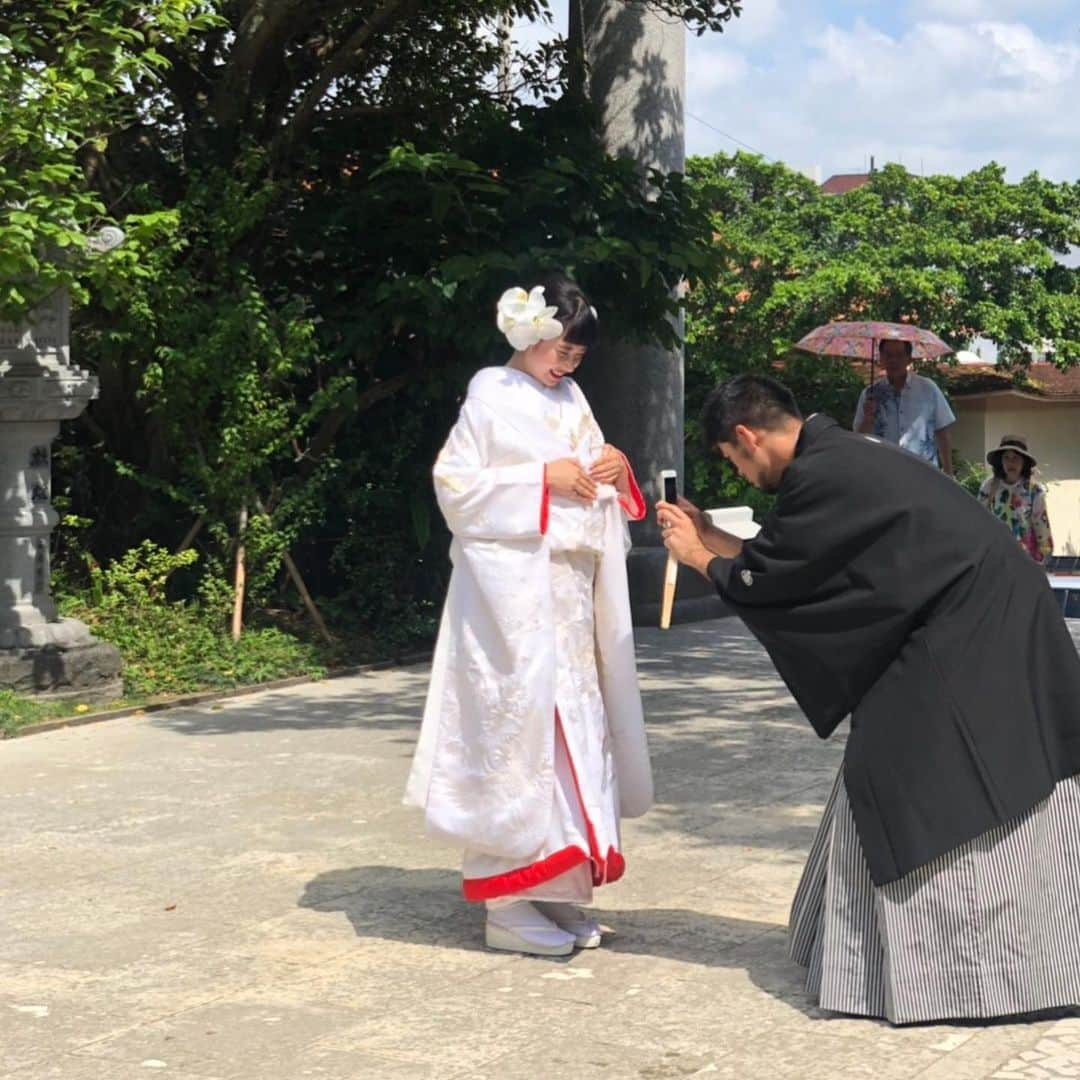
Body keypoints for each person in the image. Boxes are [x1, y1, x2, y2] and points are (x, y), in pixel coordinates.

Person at [658, 373, 1080, 1025]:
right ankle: (870, 955)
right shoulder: (838, 458)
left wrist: (698, 558)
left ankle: (980, 977)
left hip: (973, 629)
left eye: (732, 460)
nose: (740, 474)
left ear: (745, 436)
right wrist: (711, 540)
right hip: (982, 615)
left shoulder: (821, 475)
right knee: (884, 758)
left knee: (908, 771)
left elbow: (772, 581)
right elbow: (791, 569)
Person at [405, 273, 653, 958]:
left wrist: (612, 469)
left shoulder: (570, 396)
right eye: (560, 354)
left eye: (575, 359)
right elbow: (454, 485)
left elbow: (593, 469)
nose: (566, 368)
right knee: (520, 731)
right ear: (531, 335)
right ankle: (506, 905)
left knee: (576, 731)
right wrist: (541, 480)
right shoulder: (491, 392)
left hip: (569, 593)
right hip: (512, 596)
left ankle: (557, 886)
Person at [853, 339, 956, 475]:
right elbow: (859, 441)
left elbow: (942, 431)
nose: (893, 360)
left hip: (923, 474)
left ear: (909, 359)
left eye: (899, 355)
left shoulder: (928, 389)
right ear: (881, 358)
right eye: (888, 355)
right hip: (882, 475)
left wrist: (948, 471)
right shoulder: (870, 394)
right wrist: (868, 418)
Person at [979, 435, 1054, 564]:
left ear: (1024, 462)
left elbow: (1041, 523)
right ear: (1000, 461)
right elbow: (979, 518)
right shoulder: (989, 486)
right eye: (1006, 457)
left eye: (1016, 458)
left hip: (1026, 558)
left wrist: (1044, 554)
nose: (1011, 462)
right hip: (996, 556)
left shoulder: (1034, 490)